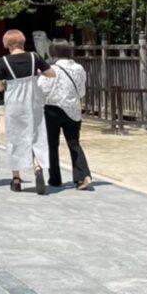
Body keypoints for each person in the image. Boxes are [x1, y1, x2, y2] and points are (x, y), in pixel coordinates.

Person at [0, 29, 56, 194]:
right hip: (34, 102)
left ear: (8, 44)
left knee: (15, 138)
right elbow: (51, 73)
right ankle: (37, 167)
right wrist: (38, 73)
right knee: (36, 135)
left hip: (14, 104)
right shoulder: (35, 57)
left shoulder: (3, 61)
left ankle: (16, 178)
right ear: (22, 41)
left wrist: (8, 84)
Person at [39, 39, 92, 190]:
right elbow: (81, 91)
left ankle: (55, 178)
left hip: (52, 108)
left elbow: (42, 88)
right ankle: (82, 176)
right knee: (74, 143)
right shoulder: (79, 68)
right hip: (73, 109)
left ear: (53, 52)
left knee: (52, 144)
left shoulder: (51, 68)